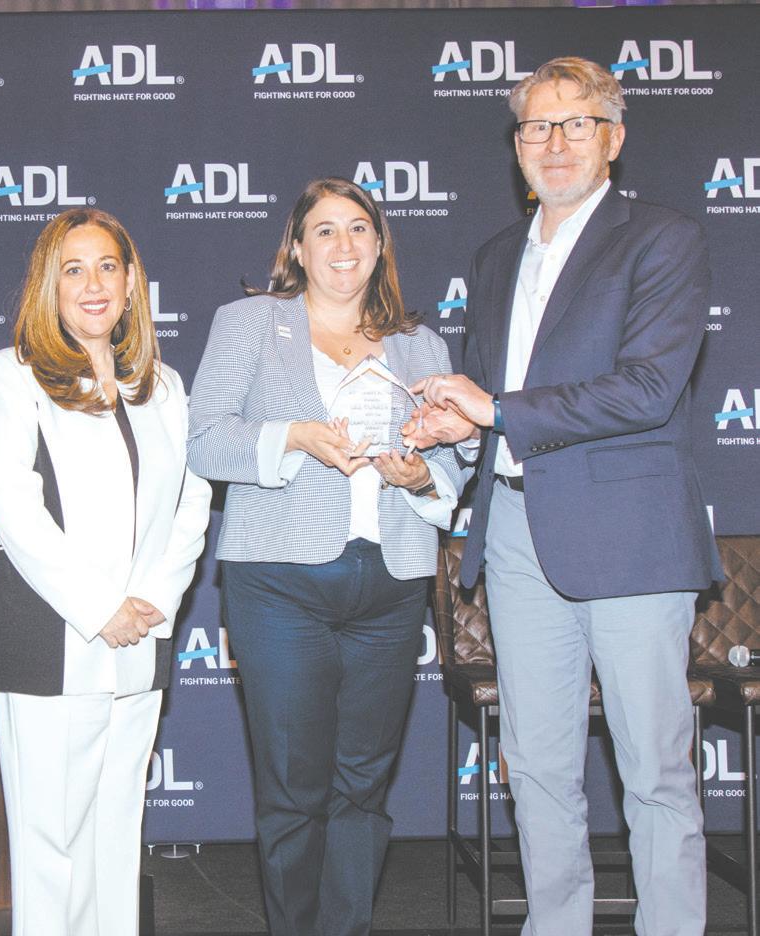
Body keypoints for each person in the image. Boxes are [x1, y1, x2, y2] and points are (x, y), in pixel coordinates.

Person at [407, 57, 717, 936]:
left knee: (654, 773)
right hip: (514, 531)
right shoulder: (495, 256)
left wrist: (497, 408)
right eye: (536, 126)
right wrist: (461, 424)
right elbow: (499, 403)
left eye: (576, 123)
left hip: (629, 537)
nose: (554, 142)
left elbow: (648, 389)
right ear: (517, 148)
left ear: (613, 139)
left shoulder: (662, 238)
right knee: (537, 768)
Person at [187, 177, 463, 936]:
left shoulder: (422, 346)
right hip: (280, 583)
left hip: (393, 584)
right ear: (299, 249)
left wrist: (421, 477)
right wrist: (295, 437)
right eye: (326, 230)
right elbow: (202, 440)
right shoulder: (250, 323)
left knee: (363, 787)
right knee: (292, 788)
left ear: (380, 245)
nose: (344, 244)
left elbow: (454, 462)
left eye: (359, 228)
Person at [0, 207, 210, 936]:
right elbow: (15, 509)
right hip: (48, 639)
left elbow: (192, 498)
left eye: (107, 266)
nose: (93, 284)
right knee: (52, 845)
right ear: (50, 285)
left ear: (131, 282)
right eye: (73, 269)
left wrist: (153, 599)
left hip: (139, 640)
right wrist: (101, 608)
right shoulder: (14, 377)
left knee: (114, 835)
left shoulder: (162, 385)